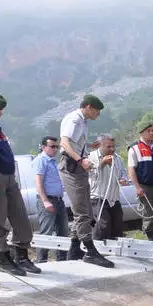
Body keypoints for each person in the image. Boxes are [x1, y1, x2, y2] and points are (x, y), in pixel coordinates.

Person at [0, 93, 40, 275]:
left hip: (8, 176)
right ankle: (2, 257)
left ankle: (21, 255)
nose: (0, 113)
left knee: (20, 215)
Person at [58, 94, 113, 267]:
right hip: (72, 167)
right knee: (82, 212)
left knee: (85, 210)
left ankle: (74, 248)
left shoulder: (83, 122)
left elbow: (75, 142)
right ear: (88, 107)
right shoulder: (74, 120)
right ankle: (90, 251)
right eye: (97, 110)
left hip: (78, 167)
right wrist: (81, 160)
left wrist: (88, 146)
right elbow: (65, 143)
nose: (98, 114)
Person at [88, 134, 139, 242]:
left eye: (113, 146)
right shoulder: (90, 157)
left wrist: (123, 179)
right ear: (99, 146)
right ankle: (95, 249)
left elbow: (123, 173)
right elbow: (90, 175)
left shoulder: (117, 158)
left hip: (114, 198)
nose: (112, 149)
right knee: (102, 225)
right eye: (108, 147)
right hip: (98, 197)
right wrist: (102, 164)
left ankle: (114, 253)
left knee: (118, 226)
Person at [126, 123, 153, 243]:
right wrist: (137, 187)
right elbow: (131, 170)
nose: (152, 133)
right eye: (148, 131)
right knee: (148, 214)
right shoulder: (134, 148)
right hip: (145, 187)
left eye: (152, 131)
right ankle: (151, 238)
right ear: (141, 133)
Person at [32, 136, 69, 262]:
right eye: (52, 146)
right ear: (43, 147)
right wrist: (45, 200)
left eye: (56, 146)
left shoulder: (52, 161)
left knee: (63, 231)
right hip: (48, 200)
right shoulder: (41, 160)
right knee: (46, 233)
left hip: (58, 200)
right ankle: (41, 261)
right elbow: (38, 181)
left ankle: (62, 260)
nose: (55, 149)